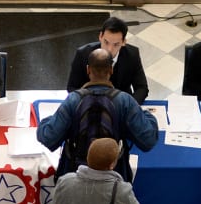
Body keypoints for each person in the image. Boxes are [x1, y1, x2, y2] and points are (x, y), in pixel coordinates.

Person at [38, 49, 158, 181]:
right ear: (111, 70)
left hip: (75, 175)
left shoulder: (73, 100)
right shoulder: (125, 101)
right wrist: (147, 115)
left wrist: (47, 120)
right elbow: (148, 139)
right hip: (114, 175)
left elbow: (48, 137)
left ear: (88, 70)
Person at [65, 16, 149, 104]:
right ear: (100, 36)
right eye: (106, 42)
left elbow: (142, 88)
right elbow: (72, 87)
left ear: (124, 42)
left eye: (116, 44)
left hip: (122, 103)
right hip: (91, 104)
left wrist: (129, 106)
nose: (109, 49)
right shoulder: (83, 54)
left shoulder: (132, 55)